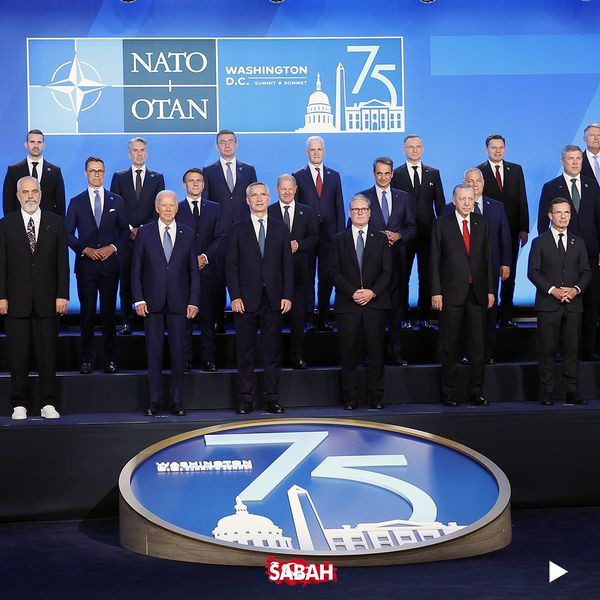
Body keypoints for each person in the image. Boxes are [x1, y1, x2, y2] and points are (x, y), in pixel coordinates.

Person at [0, 176, 69, 420]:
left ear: (40, 194)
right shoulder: (5, 224)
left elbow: (62, 262)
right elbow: (1, 263)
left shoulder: (56, 222)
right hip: (15, 301)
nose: (30, 196)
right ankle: (18, 403)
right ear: (18, 196)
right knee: (17, 355)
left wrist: (62, 294)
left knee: (47, 355)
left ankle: (47, 402)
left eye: (34, 192)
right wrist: (1, 296)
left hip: (48, 301)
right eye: (25, 192)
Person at [225, 182, 293, 415]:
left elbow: (287, 265)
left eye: (263, 195)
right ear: (247, 200)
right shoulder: (236, 229)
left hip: (274, 299)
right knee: (245, 352)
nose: (259, 199)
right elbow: (231, 266)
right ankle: (245, 399)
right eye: (254, 195)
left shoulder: (281, 228)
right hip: (245, 300)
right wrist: (235, 296)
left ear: (269, 198)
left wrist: (287, 294)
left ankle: (271, 398)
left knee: (272, 351)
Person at [131, 191, 200, 416]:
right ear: (156, 207)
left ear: (177, 208)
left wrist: (194, 301)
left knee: (179, 354)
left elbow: (194, 272)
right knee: (154, 354)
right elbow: (136, 269)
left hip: (180, 303)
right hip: (152, 303)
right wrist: (138, 299)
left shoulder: (188, 233)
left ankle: (177, 400)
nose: (168, 209)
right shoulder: (145, 233)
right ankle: (154, 401)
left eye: (172, 205)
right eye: (164, 205)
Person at [430, 183, 495, 407]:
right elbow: (434, 261)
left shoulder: (482, 223)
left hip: (478, 293)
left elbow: (488, 259)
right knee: (450, 346)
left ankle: (476, 392)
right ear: (454, 200)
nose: (467, 203)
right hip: (450, 294)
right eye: (462, 199)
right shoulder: (441, 224)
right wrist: (436, 292)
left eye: (470, 199)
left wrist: (490, 290)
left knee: (478, 346)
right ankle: (449, 393)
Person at [65, 157, 130, 374]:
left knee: (109, 314)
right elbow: (67, 233)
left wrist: (113, 247)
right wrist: (84, 249)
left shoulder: (116, 201)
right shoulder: (76, 201)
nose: (97, 174)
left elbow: (125, 231)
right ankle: (87, 359)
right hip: (86, 267)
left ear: (104, 173)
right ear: (85, 173)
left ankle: (110, 359)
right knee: (87, 314)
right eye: (92, 171)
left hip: (110, 266)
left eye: (100, 171)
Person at [537, 145, 600, 361]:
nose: (575, 162)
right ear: (562, 161)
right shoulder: (550, 187)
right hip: (560, 256)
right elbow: (542, 223)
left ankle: (588, 349)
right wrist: (546, 253)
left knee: (590, 303)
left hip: (589, 254)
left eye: (578, 158)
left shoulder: (593, 185)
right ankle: (559, 350)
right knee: (560, 304)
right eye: (570, 158)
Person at [329, 194, 391, 409]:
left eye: (363, 209)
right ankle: (350, 397)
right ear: (350, 212)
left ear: (370, 213)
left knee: (376, 352)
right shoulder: (338, 240)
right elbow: (333, 272)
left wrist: (372, 292)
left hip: (375, 304)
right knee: (349, 353)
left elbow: (387, 271)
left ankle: (377, 397)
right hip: (348, 305)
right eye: (356, 209)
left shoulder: (381, 239)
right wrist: (352, 292)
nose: (360, 213)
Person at [528, 198, 591, 405]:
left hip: (573, 305)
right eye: (559, 212)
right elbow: (533, 272)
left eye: (567, 212)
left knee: (572, 349)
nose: (563, 217)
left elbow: (586, 272)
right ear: (550, 215)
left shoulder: (578, 242)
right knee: (546, 349)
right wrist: (553, 290)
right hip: (548, 304)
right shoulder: (539, 242)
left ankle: (572, 390)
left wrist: (575, 290)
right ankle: (546, 391)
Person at [358, 156, 416, 365]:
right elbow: (354, 227)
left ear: (392, 174)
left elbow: (412, 227)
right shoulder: (363, 197)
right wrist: (376, 237)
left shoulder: (403, 197)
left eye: (386, 173)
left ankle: (395, 352)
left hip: (397, 262)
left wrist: (399, 235)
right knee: (371, 311)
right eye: (379, 173)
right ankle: (371, 354)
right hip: (371, 264)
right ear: (374, 174)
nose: (383, 177)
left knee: (396, 309)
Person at [202, 129, 258, 333]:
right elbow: (207, 205)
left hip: (244, 234)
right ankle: (218, 321)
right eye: (222, 142)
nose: (227, 145)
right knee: (217, 280)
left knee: (245, 277)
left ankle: (246, 318)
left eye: (230, 141)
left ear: (236, 144)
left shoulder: (249, 170)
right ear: (217, 146)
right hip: (219, 235)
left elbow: (255, 201)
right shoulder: (208, 171)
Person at [110, 137, 165, 335]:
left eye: (142, 150)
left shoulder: (157, 177)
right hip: (125, 238)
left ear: (147, 153)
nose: (139, 153)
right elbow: (115, 206)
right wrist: (130, 229)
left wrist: (142, 229)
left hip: (149, 237)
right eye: (135, 150)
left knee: (150, 278)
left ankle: (150, 320)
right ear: (129, 154)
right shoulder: (119, 177)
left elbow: (159, 207)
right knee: (125, 280)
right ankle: (127, 321)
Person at [391, 134, 445, 329]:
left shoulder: (433, 173)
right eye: (411, 147)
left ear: (422, 149)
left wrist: (444, 233)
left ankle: (425, 316)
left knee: (427, 275)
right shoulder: (396, 174)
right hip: (404, 233)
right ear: (404, 149)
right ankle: (403, 317)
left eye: (418, 146)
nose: (414, 150)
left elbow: (440, 205)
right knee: (402, 275)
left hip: (428, 233)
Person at [293, 136, 345, 331]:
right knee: (306, 277)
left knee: (327, 277)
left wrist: (340, 235)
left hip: (330, 236)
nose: (316, 153)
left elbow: (339, 206)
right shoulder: (298, 176)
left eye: (319, 149)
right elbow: (296, 207)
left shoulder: (334, 176)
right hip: (307, 235)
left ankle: (323, 318)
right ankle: (307, 317)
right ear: (307, 152)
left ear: (324, 151)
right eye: (312, 150)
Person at [476, 134, 529, 328]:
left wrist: (523, 228)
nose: (497, 151)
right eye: (493, 147)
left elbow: (522, 199)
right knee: (487, 274)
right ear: (486, 149)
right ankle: (487, 315)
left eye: (500, 147)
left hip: (512, 231)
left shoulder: (515, 169)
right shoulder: (478, 171)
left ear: (505, 149)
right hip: (488, 231)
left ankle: (506, 316)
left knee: (509, 274)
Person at [268, 174, 318, 369]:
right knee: (274, 320)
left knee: (298, 319)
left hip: (299, 275)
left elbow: (314, 238)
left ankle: (297, 355)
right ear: (277, 190)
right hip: (274, 276)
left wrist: (299, 244)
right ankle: (274, 357)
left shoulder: (308, 212)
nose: (287, 192)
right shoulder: (269, 212)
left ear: (296, 189)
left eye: (290, 188)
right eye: (283, 188)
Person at [462, 168, 511, 363]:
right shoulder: (451, 208)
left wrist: (505, 263)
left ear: (483, 183)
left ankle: (487, 353)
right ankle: (467, 352)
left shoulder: (496, 207)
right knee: (465, 312)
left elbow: (505, 238)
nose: (474, 185)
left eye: (478, 181)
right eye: (470, 181)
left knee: (489, 312)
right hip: (462, 272)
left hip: (490, 269)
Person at [178, 168, 225, 372]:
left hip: (209, 270)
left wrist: (205, 257)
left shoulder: (215, 208)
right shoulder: (176, 208)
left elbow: (221, 237)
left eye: (199, 180)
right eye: (191, 180)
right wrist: (190, 260)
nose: (195, 184)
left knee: (208, 318)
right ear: (184, 185)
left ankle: (209, 359)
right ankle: (185, 359)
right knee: (184, 319)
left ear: (204, 185)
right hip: (183, 273)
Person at [3, 129, 65, 217]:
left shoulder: (55, 172)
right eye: (32, 142)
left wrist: (59, 224)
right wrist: (10, 224)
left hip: (48, 223)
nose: (36, 145)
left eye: (39, 142)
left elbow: (60, 204)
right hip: (19, 223)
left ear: (43, 145)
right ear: (26, 145)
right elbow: (8, 203)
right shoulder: (13, 171)